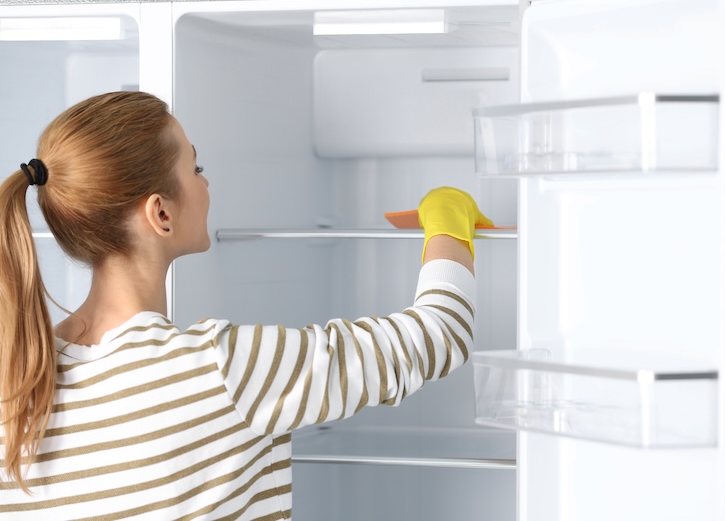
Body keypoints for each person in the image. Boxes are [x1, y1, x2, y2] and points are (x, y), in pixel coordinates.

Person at [0, 91, 493, 519]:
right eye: (195, 167)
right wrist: (447, 217)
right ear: (162, 213)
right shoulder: (218, 369)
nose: (205, 183)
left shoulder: (16, 383)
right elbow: (438, 333)